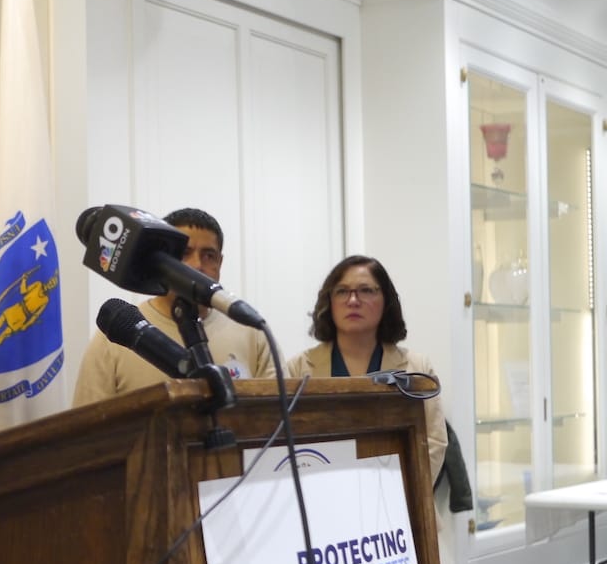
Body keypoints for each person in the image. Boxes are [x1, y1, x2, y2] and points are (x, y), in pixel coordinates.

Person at [72, 207, 279, 407]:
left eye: (209, 255)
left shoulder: (251, 330)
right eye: (185, 253)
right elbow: (85, 428)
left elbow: (280, 412)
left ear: (220, 263)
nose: (197, 265)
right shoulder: (119, 333)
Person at [286, 255, 448, 484]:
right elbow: (287, 446)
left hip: (401, 501)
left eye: (366, 290)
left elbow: (435, 441)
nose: (353, 300)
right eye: (342, 291)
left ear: (386, 300)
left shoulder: (417, 367)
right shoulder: (298, 368)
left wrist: (403, 491)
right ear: (329, 301)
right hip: (322, 496)